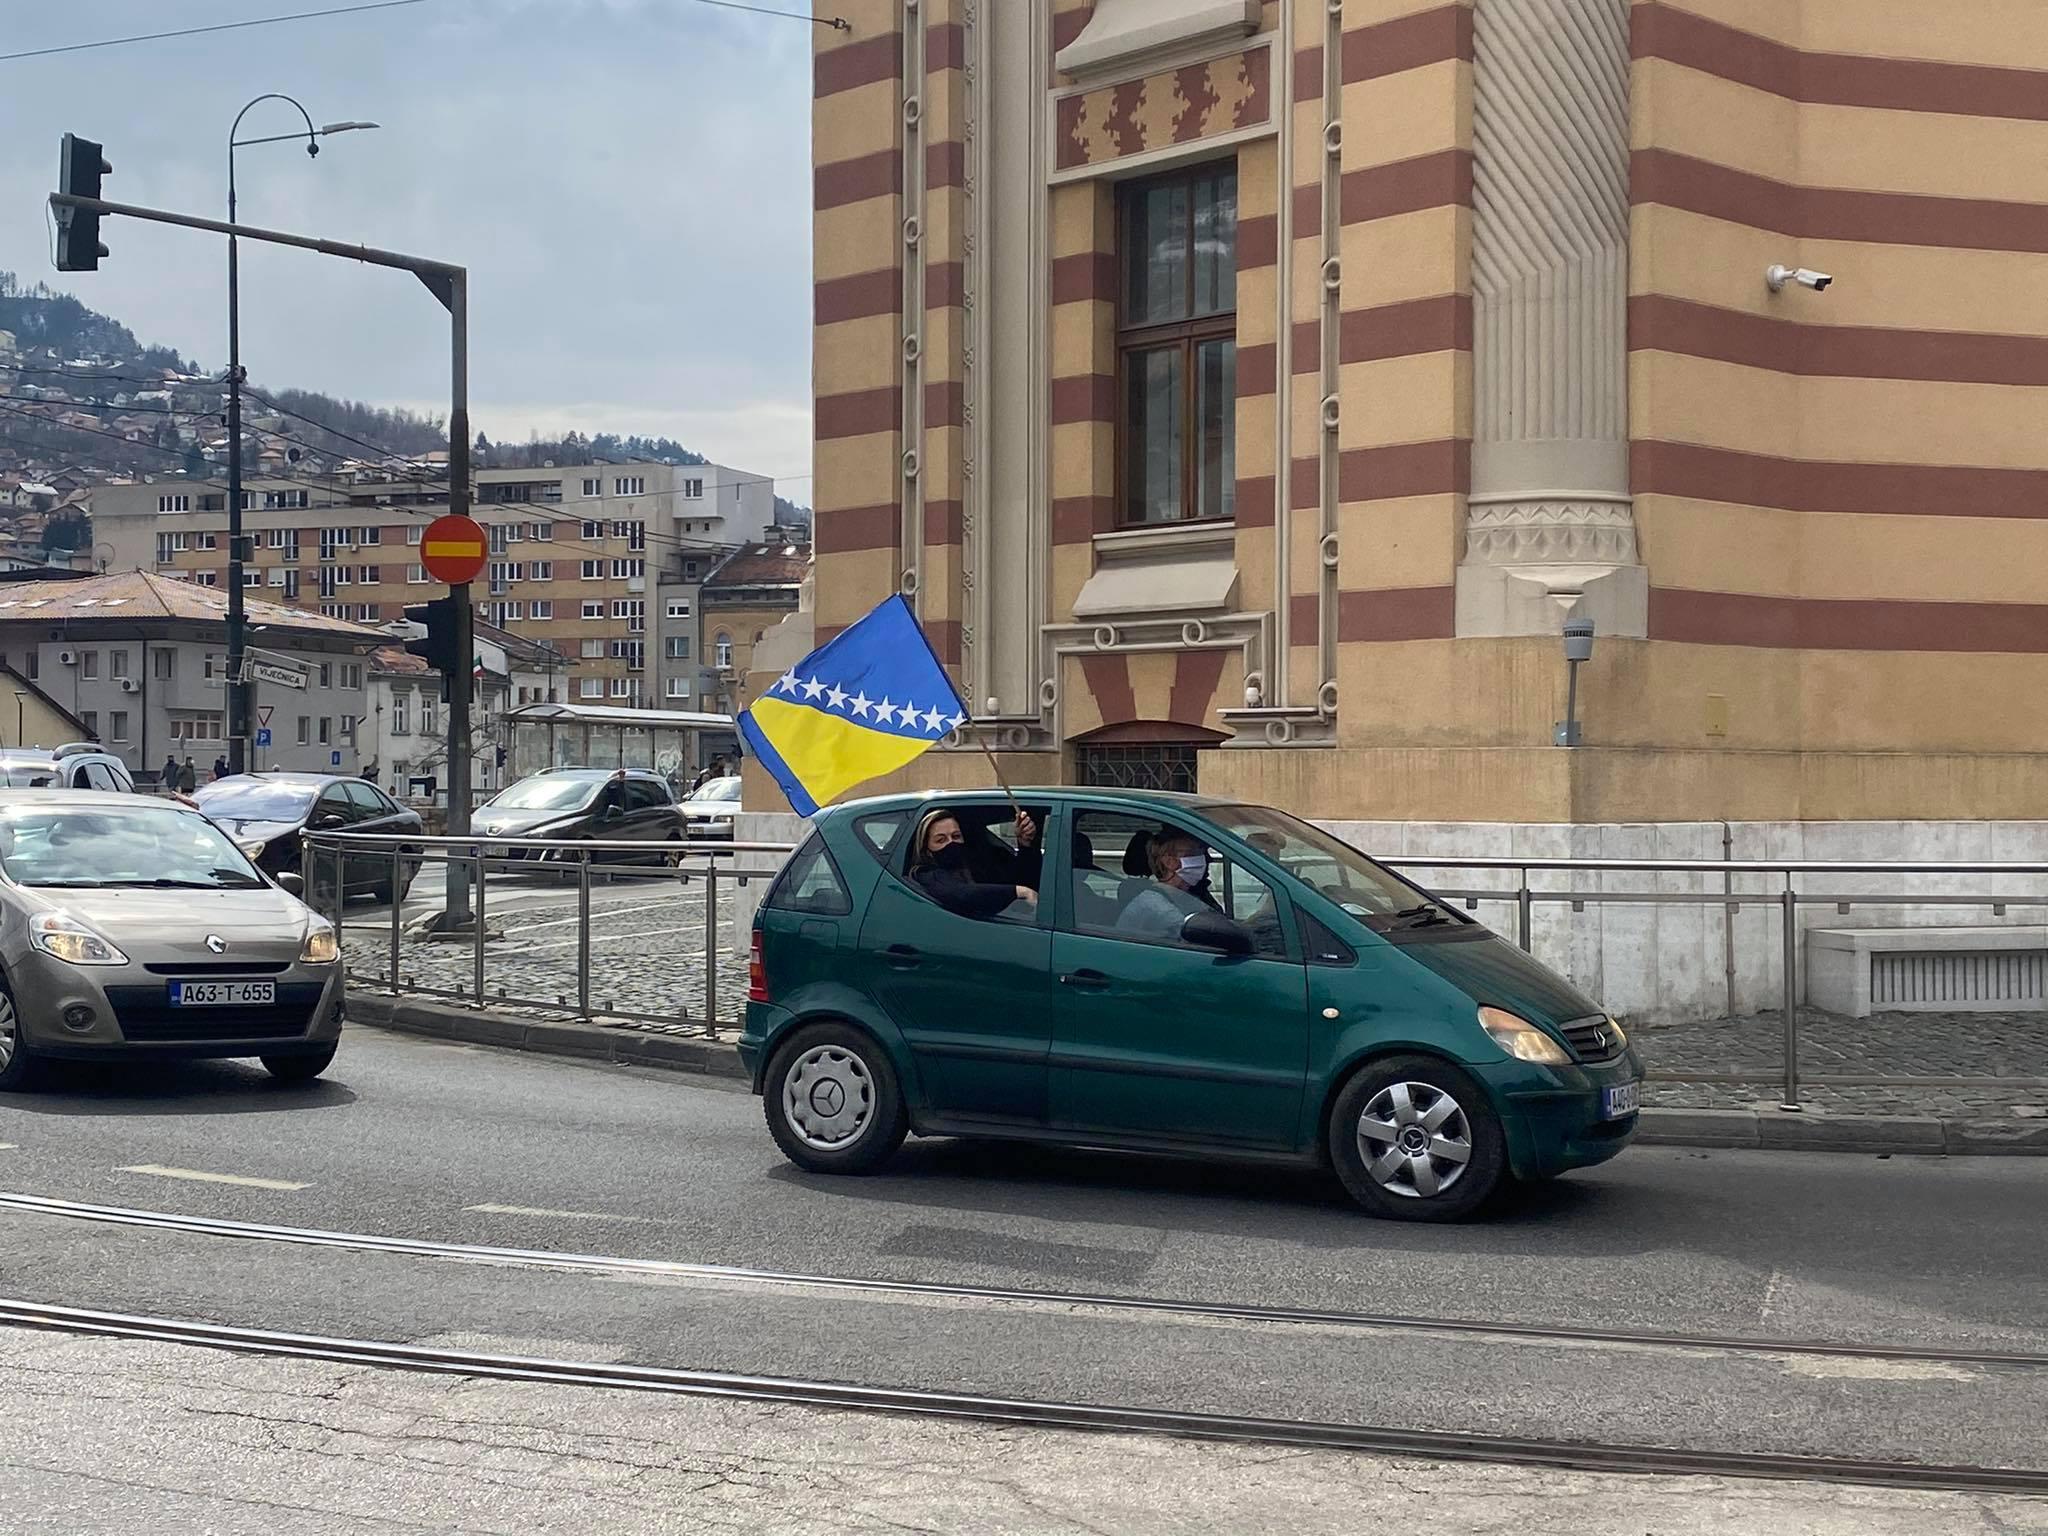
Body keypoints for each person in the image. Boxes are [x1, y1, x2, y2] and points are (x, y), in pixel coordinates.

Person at [909, 807, 1041, 919]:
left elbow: (1023, 877)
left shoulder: (977, 865)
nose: (951, 843)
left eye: (956, 836)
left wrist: (1025, 844)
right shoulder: (925, 874)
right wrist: (1018, 891)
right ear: (927, 850)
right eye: (941, 840)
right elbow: (960, 893)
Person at [1118, 830, 1225, 941]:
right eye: (1192, 853)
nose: (1204, 859)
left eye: (1201, 852)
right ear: (1169, 862)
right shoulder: (1157, 906)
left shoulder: (1184, 896)